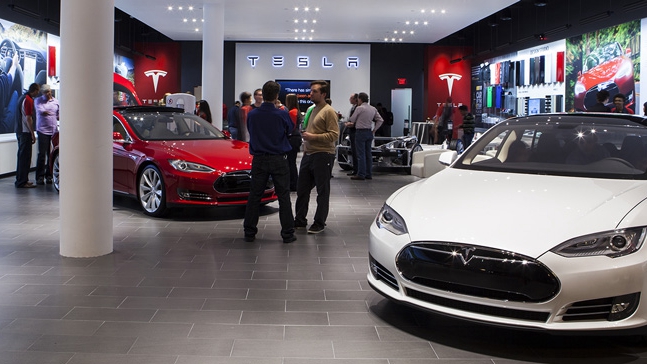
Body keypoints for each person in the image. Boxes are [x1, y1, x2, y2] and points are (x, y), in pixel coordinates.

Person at [243, 81, 296, 244]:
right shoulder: (281, 114)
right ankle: (287, 233)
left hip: (259, 159)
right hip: (278, 158)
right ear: (276, 96)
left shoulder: (252, 114)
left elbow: (251, 130)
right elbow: (290, 130)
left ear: (263, 95)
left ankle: (249, 232)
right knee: (283, 196)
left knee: (254, 196)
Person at [294, 80, 339, 234]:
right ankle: (299, 220)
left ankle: (319, 222)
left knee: (322, 191)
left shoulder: (329, 111)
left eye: (314, 91)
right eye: (311, 91)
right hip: (309, 154)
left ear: (323, 94)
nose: (310, 94)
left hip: (323, 155)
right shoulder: (312, 110)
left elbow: (334, 135)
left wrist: (313, 137)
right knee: (302, 189)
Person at [348, 92, 383, 180]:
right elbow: (380, 120)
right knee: (368, 154)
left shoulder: (359, 108)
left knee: (360, 154)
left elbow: (352, 119)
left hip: (360, 132)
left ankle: (361, 174)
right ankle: (368, 173)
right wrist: (374, 129)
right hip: (369, 132)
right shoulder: (373, 108)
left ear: (360, 99)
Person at [15, 83, 40, 188]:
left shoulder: (22, 98)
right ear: (34, 90)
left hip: (20, 131)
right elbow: (28, 118)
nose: (38, 93)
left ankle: (22, 179)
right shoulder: (28, 100)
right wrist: (32, 133)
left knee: (22, 157)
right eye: (37, 91)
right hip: (25, 133)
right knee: (25, 157)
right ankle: (22, 182)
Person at [34, 84, 59, 185]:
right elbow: (41, 111)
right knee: (42, 154)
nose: (48, 94)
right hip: (42, 131)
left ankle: (49, 176)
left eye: (49, 92)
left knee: (51, 154)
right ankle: (40, 176)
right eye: (46, 92)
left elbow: (59, 115)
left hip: (53, 131)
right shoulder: (38, 101)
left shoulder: (56, 102)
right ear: (42, 93)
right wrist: (48, 113)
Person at [285, 93, 302, 191]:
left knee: (290, 162)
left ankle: (293, 183)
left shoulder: (292, 112)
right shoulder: (296, 111)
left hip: (292, 139)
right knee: (292, 162)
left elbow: (291, 127)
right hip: (295, 139)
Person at [343, 93, 359, 176]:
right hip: (352, 131)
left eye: (351, 98)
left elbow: (355, 120)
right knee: (353, 151)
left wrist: (350, 124)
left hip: (355, 131)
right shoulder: (353, 108)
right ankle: (355, 169)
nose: (349, 99)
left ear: (356, 99)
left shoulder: (358, 108)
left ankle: (357, 170)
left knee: (356, 152)